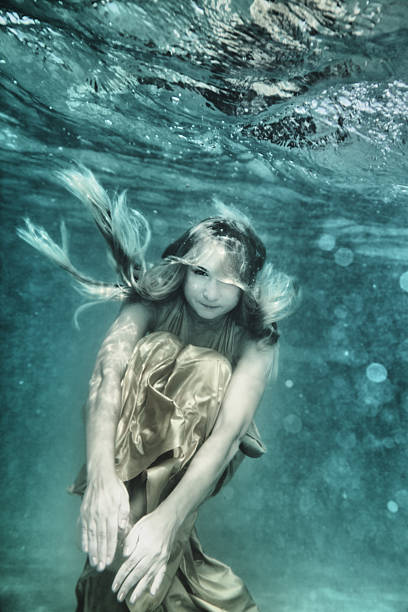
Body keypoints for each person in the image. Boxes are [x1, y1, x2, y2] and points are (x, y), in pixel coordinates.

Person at [18, 167, 299, 611]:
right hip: (129, 435)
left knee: (208, 371)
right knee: (127, 553)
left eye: (228, 281)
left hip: (206, 450)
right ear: (184, 268)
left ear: (247, 286)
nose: (210, 292)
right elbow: (105, 379)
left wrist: (168, 520)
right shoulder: (153, 300)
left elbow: (230, 433)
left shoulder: (257, 335)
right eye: (201, 273)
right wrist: (101, 479)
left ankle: (140, 538)